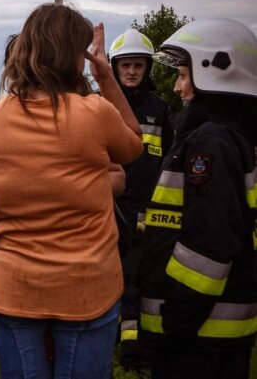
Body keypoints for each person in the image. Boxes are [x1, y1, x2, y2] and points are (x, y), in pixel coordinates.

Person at [0, 3, 144, 378]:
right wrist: (106, 78)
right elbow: (134, 144)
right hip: (87, 288)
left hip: (15, 287)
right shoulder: (94, 112)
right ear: (74, 56)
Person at [138, 18, 257, 379]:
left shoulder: (212, 142)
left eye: (183, 75)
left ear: (213, 73)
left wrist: (179, 315)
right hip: (206, 332)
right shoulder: (224, 136)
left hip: (197, 335)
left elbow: (212, 239)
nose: (176, 87)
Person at [108, 29, 174, 374]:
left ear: (146, 68)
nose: (131, 71)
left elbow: (169, 160)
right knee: (114, 273)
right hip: (112, 204)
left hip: (147, 207)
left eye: (137, 65)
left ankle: (136, 347)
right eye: (125, 65)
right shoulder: (104, 105)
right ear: (115, 68)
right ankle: (118, 339)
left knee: (142, 275)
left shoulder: (159, 108)